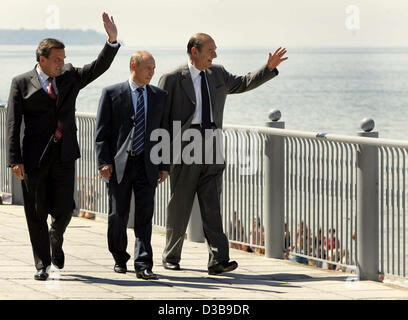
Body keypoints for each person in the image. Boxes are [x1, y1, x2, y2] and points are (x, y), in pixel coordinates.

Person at [158, 33, 287, 275]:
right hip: (184, 149)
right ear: (194, 51)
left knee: (212, 206)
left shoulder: (218, 74)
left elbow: (244, 82)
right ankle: (171, 256)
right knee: (180, 204)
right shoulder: (172, 79)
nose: (215, 55)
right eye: (211, 50)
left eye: (215, 51)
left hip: (213, 148)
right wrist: (162, 160)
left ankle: (218, 260)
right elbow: (161, 120)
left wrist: (268, 68)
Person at [6, 13, 120, 281]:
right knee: (35, 213)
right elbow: (12, 124)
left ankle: (55, 237)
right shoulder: (20, 83)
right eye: (56, 59)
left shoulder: (69, 76)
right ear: (41, 59)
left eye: (63, 58)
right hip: (34, 159)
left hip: (65, 155)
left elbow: (97, 67)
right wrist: (14, 160)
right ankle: (42, 264)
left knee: (66, 208)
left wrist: (111, 41)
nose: (62, 63)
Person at [95, 51, 169, 280]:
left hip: (147, 165)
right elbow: (101, 133)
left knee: (145, 216)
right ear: (133, 65)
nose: (152, 73)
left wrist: (164, 165)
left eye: (154, 68)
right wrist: (103, 162)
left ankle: (144, 264)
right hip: (119, 165)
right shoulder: (112, 93)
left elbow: (164, 132)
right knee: (118, 214)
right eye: (148, 68)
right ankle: (119, 257)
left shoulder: (159, 96)